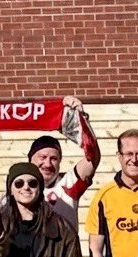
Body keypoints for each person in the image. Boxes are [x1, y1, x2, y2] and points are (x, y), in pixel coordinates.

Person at [20, 95, 100, 227]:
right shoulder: (17, 188)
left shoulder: (68, 183)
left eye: (54, 159)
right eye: (42, 157)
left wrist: (81, 120)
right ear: (30, 159)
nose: (47, 164)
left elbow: (92, 156)